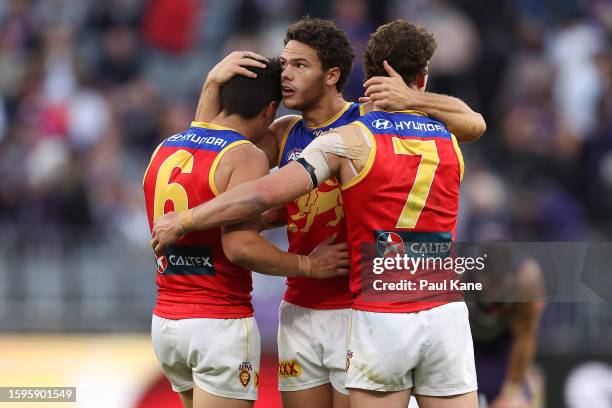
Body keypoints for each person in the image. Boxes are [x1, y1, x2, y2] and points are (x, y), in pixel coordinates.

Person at [185, 17, 486, 408]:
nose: (285, 75)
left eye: (299, 65)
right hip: (300, 306)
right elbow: (209, 148)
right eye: (285, 63)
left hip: (357, 307)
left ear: (332, 75)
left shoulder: (364, 122)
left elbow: (472, 124)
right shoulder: (283, 131)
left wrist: (414, 99)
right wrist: (212, 87)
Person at [143, 57, 349, 408]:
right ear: (270, 110)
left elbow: (205, 158)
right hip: (217, 321)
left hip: (166, 322)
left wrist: (211, 83)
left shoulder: (167, 148)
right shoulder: (245, 156)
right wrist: (308, 265)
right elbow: (239, 247)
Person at [467, 247, 546, 408]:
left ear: (511, 277)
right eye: (491, 286)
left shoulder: (527, 282)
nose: (495, 294)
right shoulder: (459, 279)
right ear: (480, 276)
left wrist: (512, 389)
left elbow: (525, 339)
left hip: (506, 350)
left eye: (500, 285)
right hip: (468, 350)